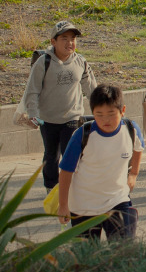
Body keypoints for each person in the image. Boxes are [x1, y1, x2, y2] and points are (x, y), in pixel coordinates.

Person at [57, 84, 143, 241]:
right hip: (84, 207)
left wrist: (134, 174)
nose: (106, 120)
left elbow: (139, 148)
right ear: (92, 113)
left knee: (123, 252)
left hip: (118, 200)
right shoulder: (83, 135)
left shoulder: (131, 129)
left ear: (123, 110)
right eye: (99, 114)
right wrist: (63, 205)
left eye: (111, 114)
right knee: (87, 258)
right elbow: (66, 171)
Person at [23, 20, 97, 193]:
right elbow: (32, 91)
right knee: (51, 156)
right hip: (48, 119)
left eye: (72, 38)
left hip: (72, 118)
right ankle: (51, 188)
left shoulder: (81, 62)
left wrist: (102, 112)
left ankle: (70, 190)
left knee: (71, 155)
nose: (70, 43)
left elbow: (92, 90)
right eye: (64, 38)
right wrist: (33, 114)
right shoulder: (43, 63)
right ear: (53, 41)